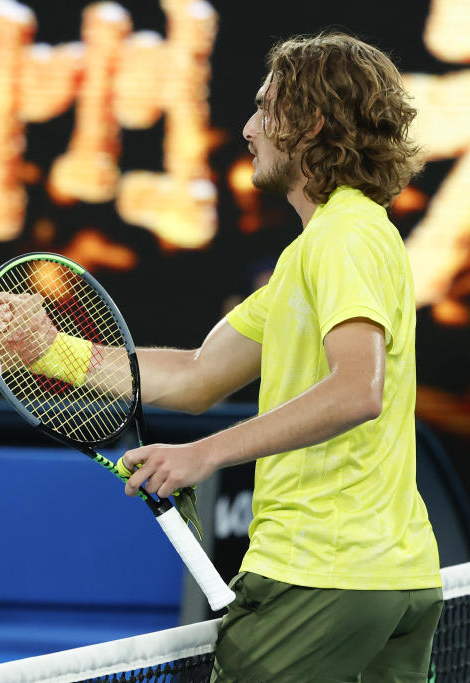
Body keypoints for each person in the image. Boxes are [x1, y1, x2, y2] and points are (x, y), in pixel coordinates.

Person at [116, 33, 444, 681]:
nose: (247, 128)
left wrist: (202, 454)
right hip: (393, 580)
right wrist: (47, 351)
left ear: (311, 123)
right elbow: (194, 376)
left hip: (318, 577)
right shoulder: (317, 250)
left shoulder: (345, 235)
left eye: (265, 109)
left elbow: (358, 389)